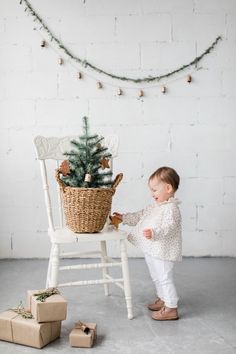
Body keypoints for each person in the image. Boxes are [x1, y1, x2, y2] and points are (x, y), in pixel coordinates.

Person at [114, 166, 182, 321]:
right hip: (153, 250)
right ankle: (163, 299)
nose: (152, 194)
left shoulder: (171, 209)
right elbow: (140, 216)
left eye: (155, 190)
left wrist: (155, 233)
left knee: (164, 277)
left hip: (164, 251)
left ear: (168, 188)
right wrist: (124, 218)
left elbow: (169, 227)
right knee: (156, 276)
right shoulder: (155, 206)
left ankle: (171, 307)